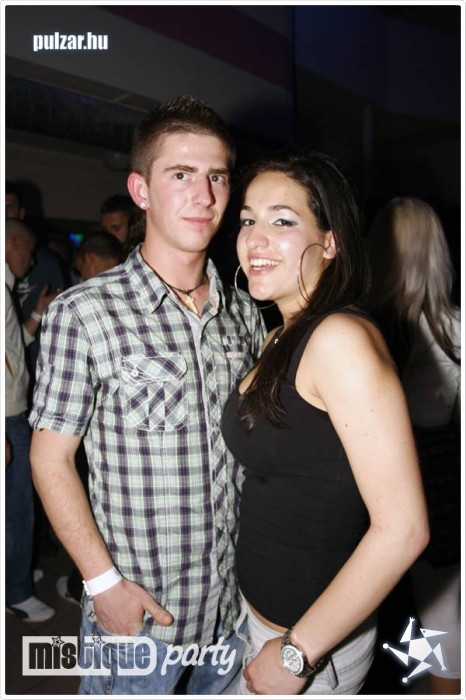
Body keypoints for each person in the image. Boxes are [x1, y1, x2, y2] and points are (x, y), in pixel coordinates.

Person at [29, 95, 266, 695]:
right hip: (142, 622)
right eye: (181, 174)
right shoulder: (84, 312)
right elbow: (50, 459)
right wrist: (103, 584)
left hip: (232, 617)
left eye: (217, 177)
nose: (204, 195)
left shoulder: (244, 313)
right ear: (140, 190)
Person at [221, 150, 429, 695]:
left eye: (282, 221)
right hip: (263, 621)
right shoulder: (280, 334)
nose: (255, 238)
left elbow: (404, 529)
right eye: (248, 219)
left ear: (330, 242)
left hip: (309, 645)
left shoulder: (340, 340)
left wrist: (296, 653)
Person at [367, 197, 461, 695]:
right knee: (438, 627)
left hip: (378, 499)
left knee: (415, 630)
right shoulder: (455, 329)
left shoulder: (360, 328)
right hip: (434, 495)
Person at [5, 219, 55, 623]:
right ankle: (16, 591)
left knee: (18, 507)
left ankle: (13, 573)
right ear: (12, 244)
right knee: (17, 509)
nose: (32, 260)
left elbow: (14, 346)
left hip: (13, 414)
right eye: (29, 249)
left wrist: (38, 311)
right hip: (5, 418)